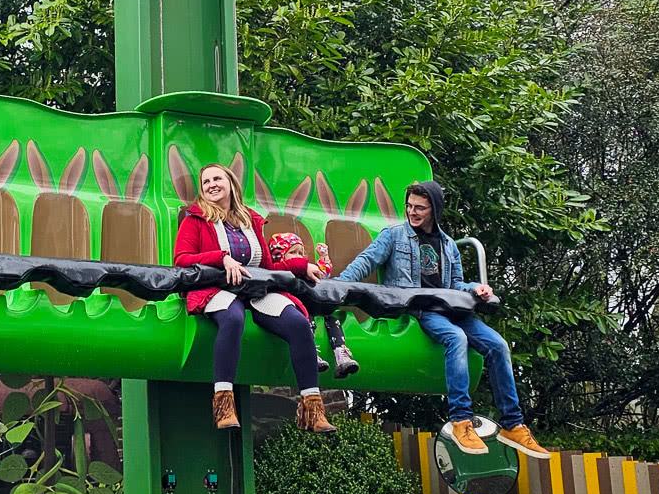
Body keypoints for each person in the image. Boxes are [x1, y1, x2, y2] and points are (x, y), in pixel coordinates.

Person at [335, 179, 549, 459]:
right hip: (421, 308)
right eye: (410, 206)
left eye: (420, 208)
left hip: (452, 307)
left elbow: (455, 284)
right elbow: (367, 261)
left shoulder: (448, 245)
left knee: (498, 346)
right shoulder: (394, 236)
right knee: (455, 338)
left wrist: (475, 288)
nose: (412, 212)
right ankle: (461, 420)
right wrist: (338, 285)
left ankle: (513, 424)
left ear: (434, 209)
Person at [173, 164, 336, 432]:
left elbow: (268, 268)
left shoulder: (251, 220)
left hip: (256, 290)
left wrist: (301, 266)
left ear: (231, 184)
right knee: (233, 319)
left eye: (217, 179)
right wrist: (221, 258)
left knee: (297, 323)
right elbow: (182, 259)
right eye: (206, 182)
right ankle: (224, 404)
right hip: (217, 288)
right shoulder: (196, 219)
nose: (211, 185)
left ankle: (312, 407)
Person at [265, 231, 359, 378]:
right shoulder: (279, 270)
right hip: (295, 310)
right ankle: (310, 352)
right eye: (292, 252)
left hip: (311, 306)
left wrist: (324, 257)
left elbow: (323, 272)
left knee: (332, 319)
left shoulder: (305, 271)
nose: (297, 256)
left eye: (300, 252)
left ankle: (341, 353)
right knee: (306, 320)